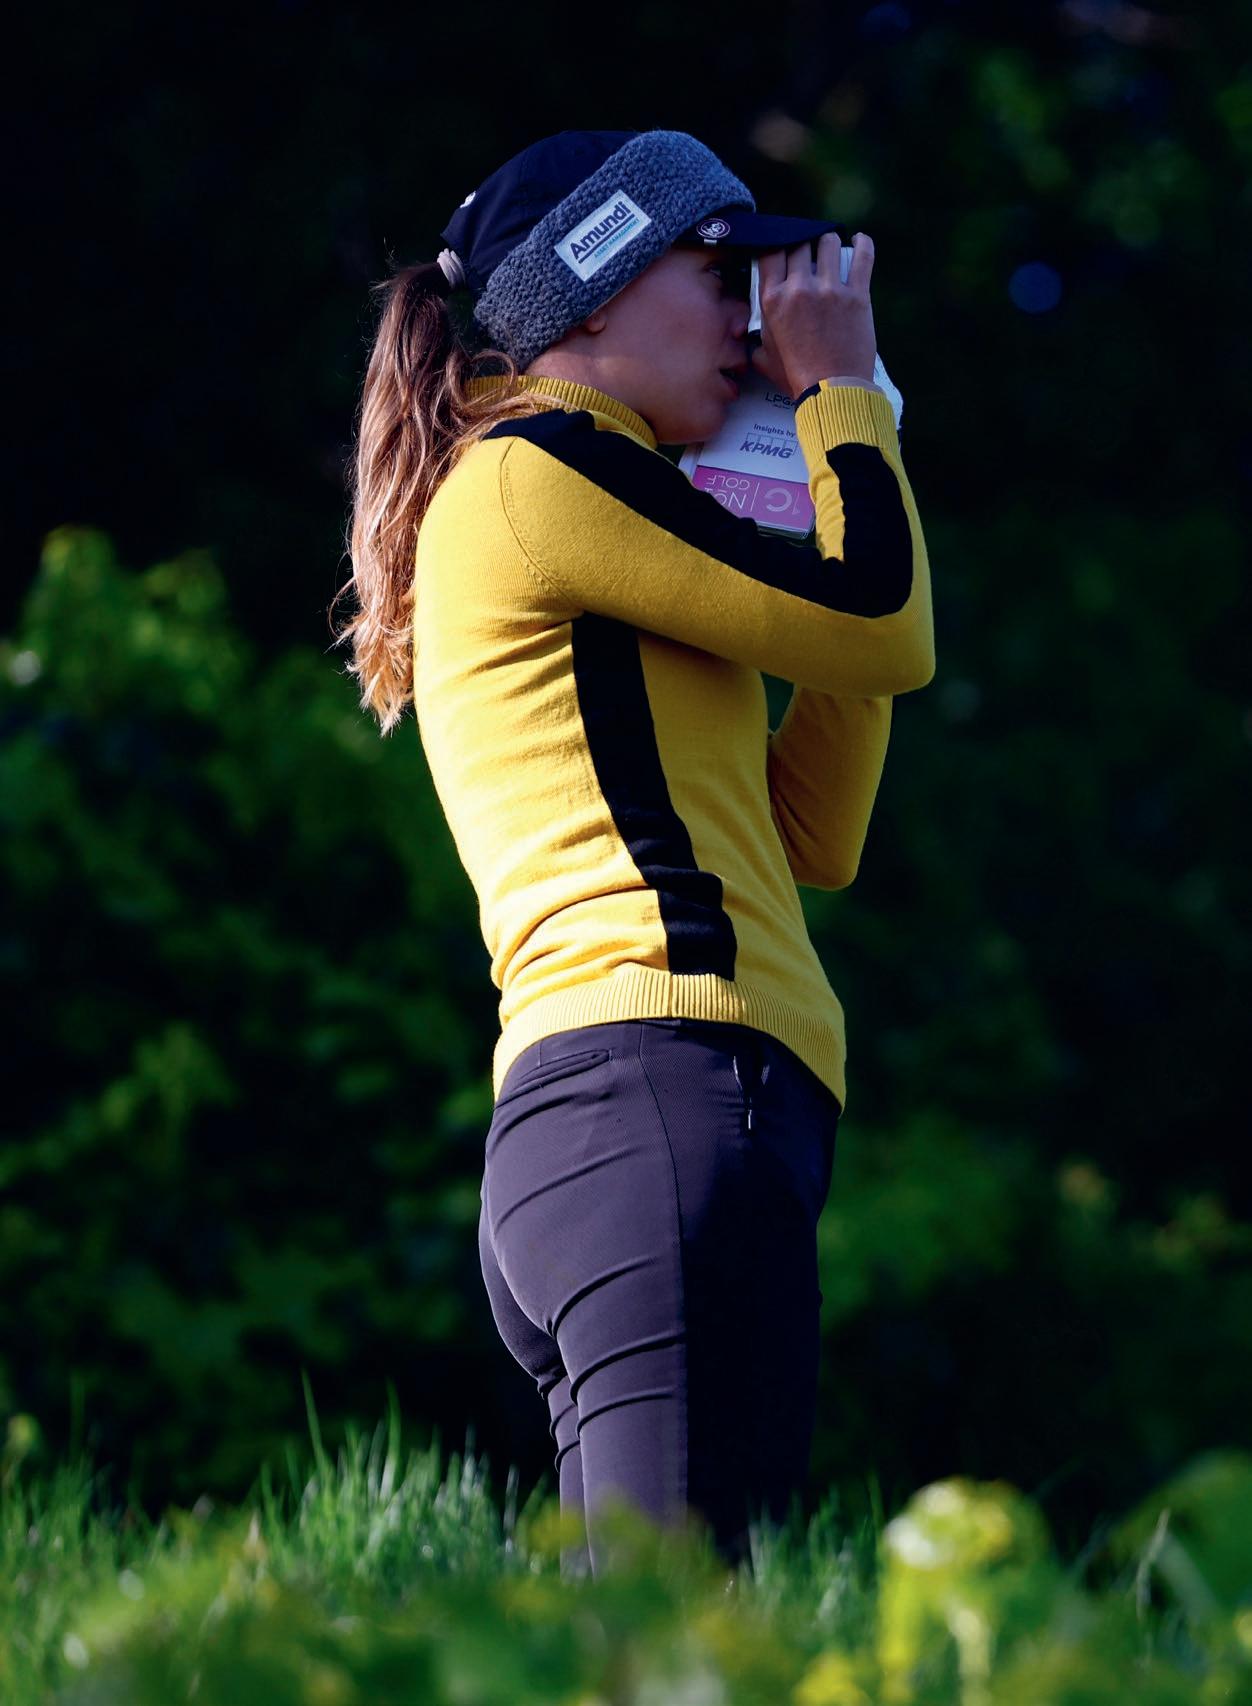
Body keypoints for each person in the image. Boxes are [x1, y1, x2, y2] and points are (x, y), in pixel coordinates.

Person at [332, 128, 935, 1579]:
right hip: (655, 1092)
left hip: (660, 1115)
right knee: (669, 1647)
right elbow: (884, 622)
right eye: (718, 273)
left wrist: (834, 469)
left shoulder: (599, 501)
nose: (750, 316)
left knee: (683, 1631)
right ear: (593, 287)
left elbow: (814, 832)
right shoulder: (540, 470)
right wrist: (844, 408)